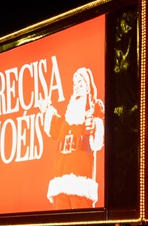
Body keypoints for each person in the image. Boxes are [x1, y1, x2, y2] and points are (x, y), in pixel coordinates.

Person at [39, 66, 104, 209]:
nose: (77, 87)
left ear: (87, 87)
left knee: (79, 206)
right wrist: (47, 109)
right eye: (75, 84)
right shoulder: (67, 118)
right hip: (61, 173)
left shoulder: (93, 109)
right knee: (61, 210)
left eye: (81, 83)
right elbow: (56, 130)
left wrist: (93, 126)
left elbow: (98, 135)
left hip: (80, 172)